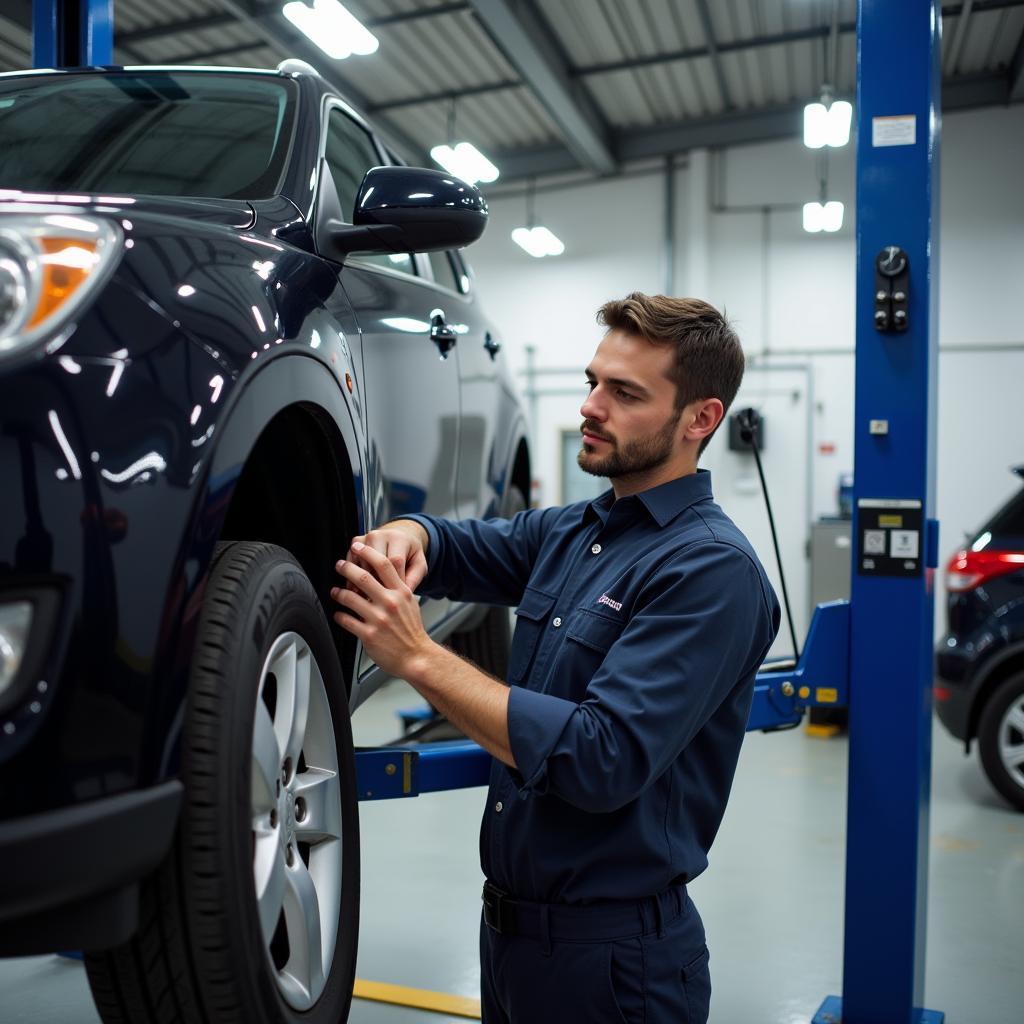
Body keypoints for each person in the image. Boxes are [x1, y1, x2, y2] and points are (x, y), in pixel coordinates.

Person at [330, 292, 780, 1024]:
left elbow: (598, 759)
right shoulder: (577, 530)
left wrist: (417, 657)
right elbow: (464, 546)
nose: (591, 408)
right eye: (593, 382)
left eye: (625, 393)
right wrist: (412, 531)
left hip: (613, 965)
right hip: (508, 944)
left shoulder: (711, 571)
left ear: (701, 419)